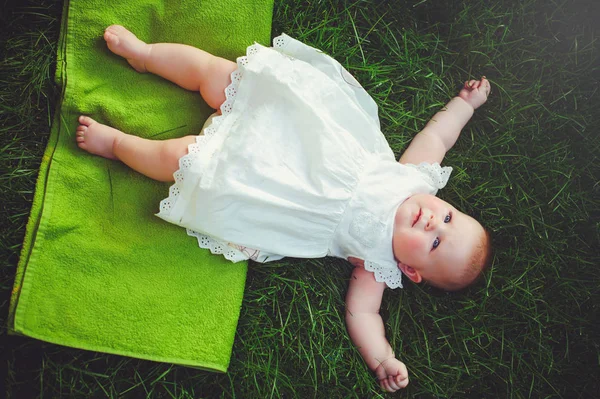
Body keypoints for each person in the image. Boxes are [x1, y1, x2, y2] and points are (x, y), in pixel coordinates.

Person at [76, 25, 492, 392]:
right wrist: (465, 105)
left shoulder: (377, 263)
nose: (435, 221)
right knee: (220, 75)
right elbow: (438, 137)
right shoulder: (414, 177)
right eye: (449, 216)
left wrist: (382, 358)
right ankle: (146, 55)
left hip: (269, 182)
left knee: (183, 161)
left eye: (436, 242)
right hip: (299, 128)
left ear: (411, 271)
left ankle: (116, 145)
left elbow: (362, 313)